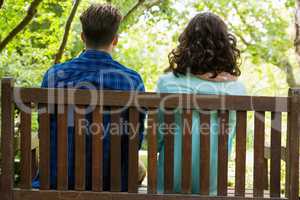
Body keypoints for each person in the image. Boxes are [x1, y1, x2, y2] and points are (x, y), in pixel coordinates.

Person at [33, 4, 145, 191]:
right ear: (115, 40)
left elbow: (45, 129)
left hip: (57, 181)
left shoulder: (54, 75)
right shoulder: (132, 81)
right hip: (112, 184)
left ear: (83, 37)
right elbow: (135, 137)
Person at [156, 12, 246, 195]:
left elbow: (157, 134)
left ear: (186, 44)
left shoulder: (167, 83)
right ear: (225, 46)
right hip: (213, 185)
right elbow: (232, 136)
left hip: (168, 184)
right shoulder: (237, 90)